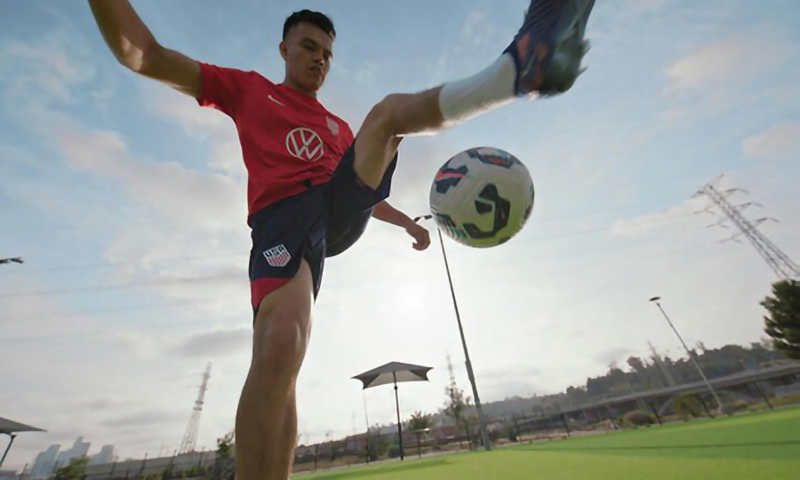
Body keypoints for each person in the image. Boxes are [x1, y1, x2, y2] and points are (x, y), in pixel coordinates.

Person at [87, 0, 594, 478]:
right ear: (284, 49)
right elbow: (145, 55)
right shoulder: (247, 90)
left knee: (386, 118)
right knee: (281, 347)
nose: (319, 59)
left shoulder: (336, 127)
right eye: (309, 47)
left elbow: (362, 195)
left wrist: (409, 224)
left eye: (327, 54)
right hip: (282, 221)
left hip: (333, 216)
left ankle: (517, 70)